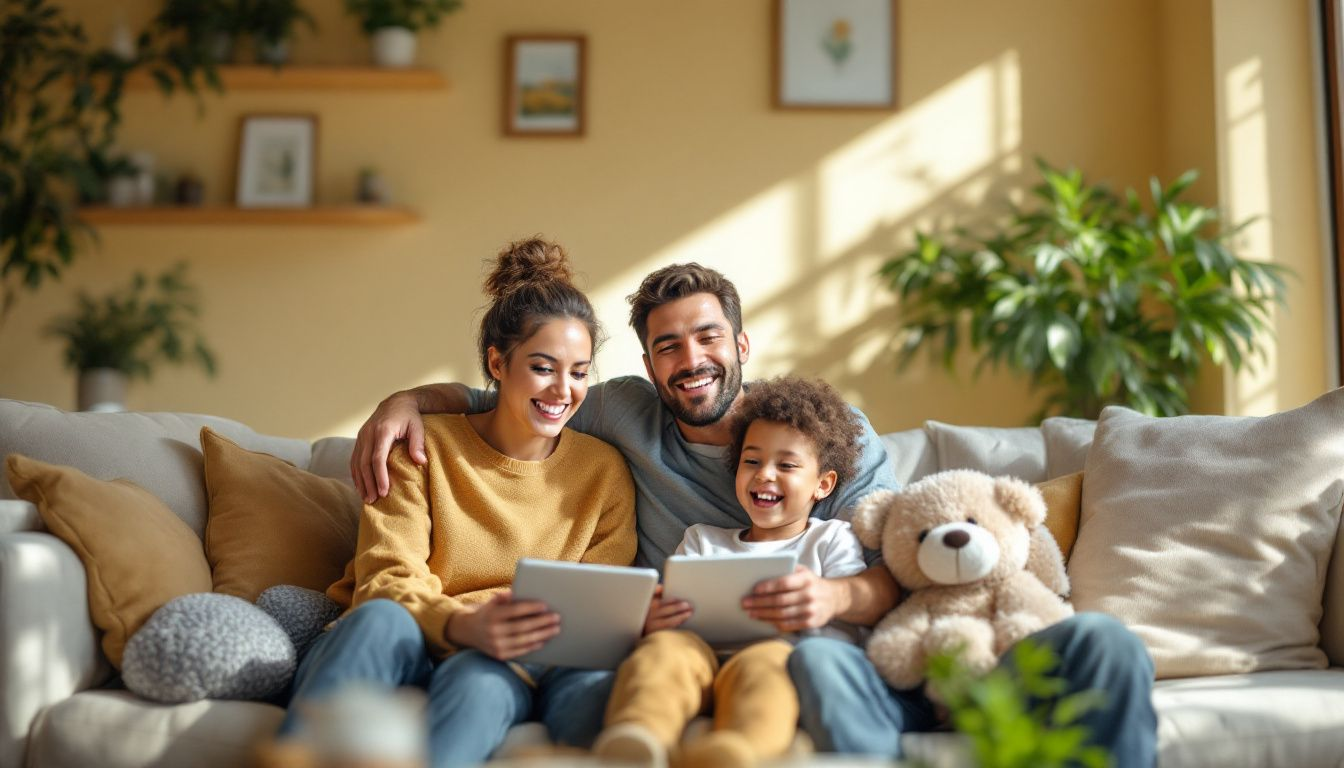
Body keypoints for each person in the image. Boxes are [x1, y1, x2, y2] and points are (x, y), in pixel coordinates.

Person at [350, 262, 1158, 765]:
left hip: (856, 647)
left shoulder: (826, 436)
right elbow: (519, 396)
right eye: (667, 346)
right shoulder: (618, 416)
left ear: (741, 344)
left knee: (1097, 642)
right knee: (786, 667)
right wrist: (405, 403)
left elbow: (904, 561)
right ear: (646, 365)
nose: (690, 359)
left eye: (707, 338)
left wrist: (834, 599)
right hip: (745, 657)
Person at [279, 239, 637, 768]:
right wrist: (460, 624)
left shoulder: (603, 472)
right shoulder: (421, 446)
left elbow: (595, 611)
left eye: (579, 372)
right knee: (379, 620)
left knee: (484, 681)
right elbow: (384, 577)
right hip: (404, 635)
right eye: (543, 367)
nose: (564, 389)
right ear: (497, 362)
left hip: (509, 658)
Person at [594, 377, 869, 768]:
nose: (765, 475)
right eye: (751, 461)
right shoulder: (702, 540)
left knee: (768, 664)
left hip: (775, 659)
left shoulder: (831, 539)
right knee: (662, 652)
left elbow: (851, 625)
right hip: (698, 656)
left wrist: (818, 607)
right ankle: (639, 735)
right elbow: (671, 612)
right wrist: (653, 619)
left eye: (787, 465)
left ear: (822, 485)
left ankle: (740, 750)